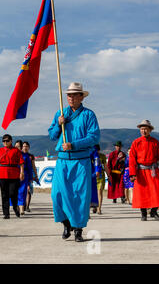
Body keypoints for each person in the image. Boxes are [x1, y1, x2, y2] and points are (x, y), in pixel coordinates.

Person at [48, 82, 100, 242]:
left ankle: (78, 229)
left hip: (81, 161)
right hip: (63, 160)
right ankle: (66, 223)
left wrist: (74, 144)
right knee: (56, 194)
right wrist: (58, 124)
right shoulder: (60, 113)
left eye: (74, 95)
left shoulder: (89, 115)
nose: (70, 97)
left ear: (81, 97)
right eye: (68, 95)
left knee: (79, 196)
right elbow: (51, 135)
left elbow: (94, 137)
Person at [129, 120, 159, 221]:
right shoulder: (136, 143)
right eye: (142, 129)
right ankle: (143, 214)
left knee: (156, 192)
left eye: (146, 129)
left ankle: (154, 212)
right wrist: (132, 174)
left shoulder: (155, 142)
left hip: (153, 171)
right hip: (140, 172)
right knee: (142, 193)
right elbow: (132, 159)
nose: (143, 131)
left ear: (150, 130)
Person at [0, 134, 25, 219]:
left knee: (13, 193)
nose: (5, 142)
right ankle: (6, 213)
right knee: (4, 194)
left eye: (7, 141)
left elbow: (21, 163)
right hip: (2, 174)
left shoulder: (16, 151)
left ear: (11, 141)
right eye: (4, 141)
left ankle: (15, 207)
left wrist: (22, 173)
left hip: (14, 174)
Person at [13, 139, 31, 215]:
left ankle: (21, 208)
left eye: (19, 146)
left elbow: (29, 167)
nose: (17, 148)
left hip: (24, 175)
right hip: (13, 175)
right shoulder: (12, 154)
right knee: (15, 192)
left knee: (22, 191)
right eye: (16, 146)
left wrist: (30, 178)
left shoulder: (25, 156)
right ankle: (16, 206)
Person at [21, 142, 39, 212]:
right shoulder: (20, 155)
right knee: (22, 191)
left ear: (29, 147)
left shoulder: (31, 156)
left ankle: (27, 206)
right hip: (22, 174)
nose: (25, 147)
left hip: (29, 174)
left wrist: (36, 175)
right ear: (22, 147)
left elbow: (33, 166)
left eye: (26, 146)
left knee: (29, 190)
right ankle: (23, 205)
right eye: (24, 146)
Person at [95, 144, 107, 214]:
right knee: (93, 193)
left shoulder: (102, 156)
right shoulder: (90, 156)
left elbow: (105, 166)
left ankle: (99, 208)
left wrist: (108, 175)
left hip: (100, 176)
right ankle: (94, 206)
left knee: (99, 192)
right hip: (92, 175)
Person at [90, 147, 101, 214]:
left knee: (91, 190)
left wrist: (97, 170)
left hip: (90, 171)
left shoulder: (92, 148)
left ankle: (92, 206)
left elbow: (96, 159)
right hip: (78, 171)